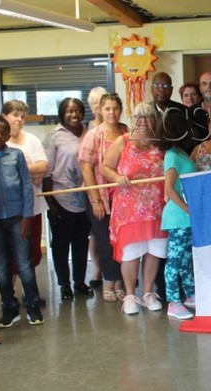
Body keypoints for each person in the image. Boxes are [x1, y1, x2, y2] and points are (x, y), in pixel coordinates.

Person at [100, 103, 167, 315]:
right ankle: (130, 295)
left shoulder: (160, 144)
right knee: (131, 252)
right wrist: (118, 178)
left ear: (154, 120)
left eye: (147, 118)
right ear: (132, 119)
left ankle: (147, 293)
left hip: (157, 208)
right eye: (138, 118)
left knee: (154, 250)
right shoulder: (123, 141)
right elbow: (104, 167)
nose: (142, 122)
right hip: (129, 209)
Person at [0, 116, 44, 328]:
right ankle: (9, 307)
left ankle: (33, 304)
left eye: (3, 132)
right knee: (1, 266)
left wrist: (27, 216)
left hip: (18, 218)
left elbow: (27, 187)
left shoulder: (16, 156)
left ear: (8, 135)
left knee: (25, 264)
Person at [79, 93, 126, 302]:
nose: (112, 113)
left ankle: (120, 282)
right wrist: (95, 199)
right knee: (106, 244)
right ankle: (109, 282)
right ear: (100, 110)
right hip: (101, 199)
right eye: (107, 108)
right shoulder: (93, 135)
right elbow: (86, 167)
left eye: (115, 108)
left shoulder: (126, 132)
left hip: (124, 199)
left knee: (122, 242)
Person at [43, 98, 92, 302]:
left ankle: (79, 281)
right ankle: (64, 284)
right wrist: (50, 203)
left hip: (86, 198)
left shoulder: (89, 133)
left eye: (78, 111)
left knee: (81, 243)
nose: (74, 115)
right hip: (61, 199)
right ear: (62, 113)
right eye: (69, 111)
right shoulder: (54, 137)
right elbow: (47, 172)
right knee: (61, 246)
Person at [1, 100, 50, 295]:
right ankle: (9, 293)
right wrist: (30, 171)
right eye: (14, 115)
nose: (19, 120)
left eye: (22, 116)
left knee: (29, 251)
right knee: (9, 252)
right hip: (7, 207)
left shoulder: (31, 140)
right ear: (4, 116)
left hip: (32, 205)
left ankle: (29, 292)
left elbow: (43, 167)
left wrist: (16, 169)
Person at [159, 109, 198, 320]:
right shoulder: (172, 155)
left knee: (184, 259)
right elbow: (169, 188)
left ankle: (190, 295)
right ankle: (173, 301)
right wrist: (187, 208)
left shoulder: (180, 152)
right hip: (178, 217)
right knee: (175, 260)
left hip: (185, 217)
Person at [85, 86, 108, 287]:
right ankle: (98, 269)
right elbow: (86, 166)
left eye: (102, 102)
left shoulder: (120, 128)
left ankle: (115, 273)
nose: (99, 107)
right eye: (95, 104)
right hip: (95, 191)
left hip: (115, 192)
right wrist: (95, 198)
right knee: (96, 234)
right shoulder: (89, 130)